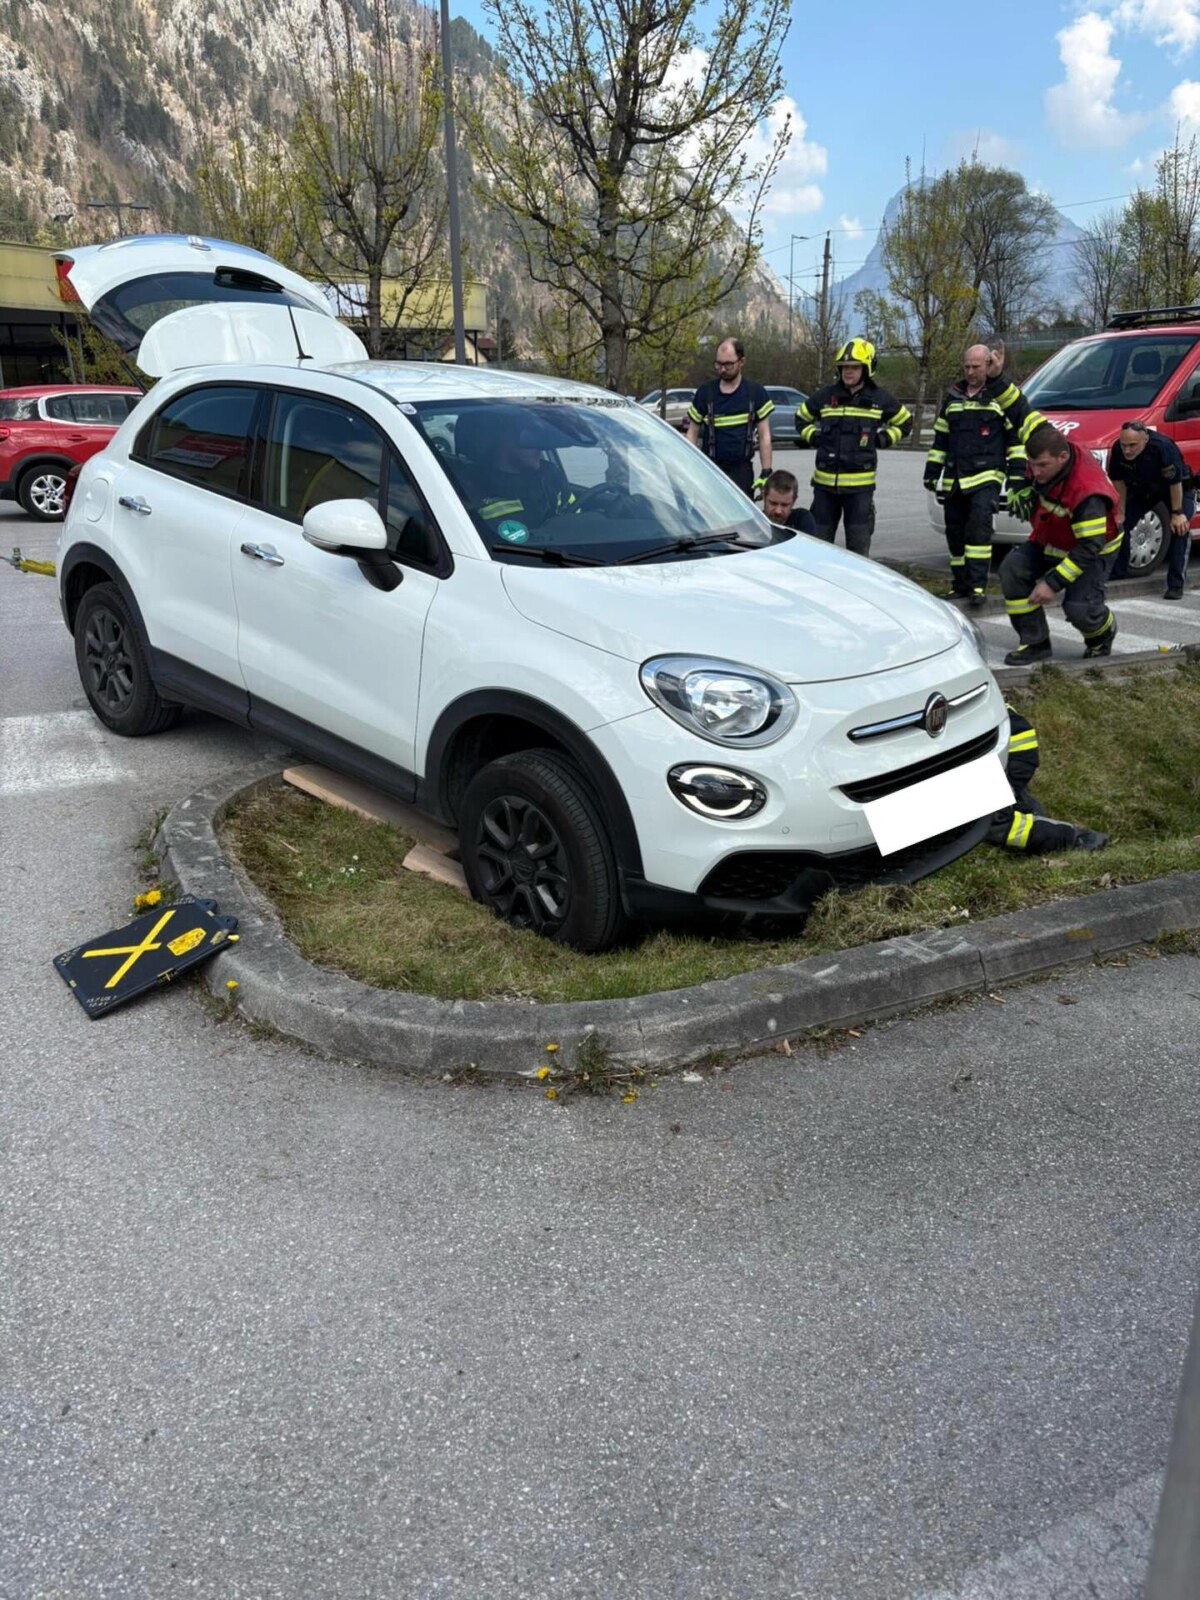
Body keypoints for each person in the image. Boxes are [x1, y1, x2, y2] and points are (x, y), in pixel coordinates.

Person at [924, 343, 1043, 608]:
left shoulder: (998, 397)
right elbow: (941, 438)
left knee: (979, 532)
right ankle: (960, 584)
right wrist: (932, 472)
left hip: (985, 477)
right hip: (955, 478)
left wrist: (1016, 480)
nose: (970, 372)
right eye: (966, 367)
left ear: (988, 365)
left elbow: (1015, 443)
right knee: (955, 534)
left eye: (976, 367)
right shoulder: (953, 396)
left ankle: (977, 586)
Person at [999, 420, 1122, 665]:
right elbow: (1022, 416)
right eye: (1031, 465)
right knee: (1012, 570)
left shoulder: (1087, 492)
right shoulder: (1051, 456)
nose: (1035, 472)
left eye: (1042, 465)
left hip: (1092, 550)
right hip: (1052, 538)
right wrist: (1019, 486)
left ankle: (1102, 635)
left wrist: (1051, 583)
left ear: (1063, 457)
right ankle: (1035, 642)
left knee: (1079, 608)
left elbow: (1089, 547)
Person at [795, 338, 911, 557]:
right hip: (824, 488)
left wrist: (883, 439)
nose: (848, 371)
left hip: (860, 490)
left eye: (854, 367)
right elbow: (801, 418)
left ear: (866, 369)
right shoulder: (826, 396)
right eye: (844, 367)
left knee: (858, 549)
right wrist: (815, 437)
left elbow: (905, 422)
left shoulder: (879, 399)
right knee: (818, 547)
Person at [987, 708, 1108, 853]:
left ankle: (1077, 840)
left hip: (1013, 753)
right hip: (1004, 753)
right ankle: (1019, 804)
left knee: (991, 824)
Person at [1105, 420, 1194, 598]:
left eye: (1132, 445)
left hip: (1175, 490)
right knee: (1121, 524)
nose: (1127, 450)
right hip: (1143, 490)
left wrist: (1177, 513)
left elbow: (1175, 482)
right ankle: (1118, 571)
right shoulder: (1117, 450)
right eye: (1124, 445)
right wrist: (1120, 511)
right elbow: (1118, 481)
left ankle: (1176, 584)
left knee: (1179, 529)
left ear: (1145, 440)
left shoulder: (1162, 447)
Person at [685, 337, 774, 496]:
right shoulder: (705, 393)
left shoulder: (755, 393)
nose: (722, 369)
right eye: (718, 364)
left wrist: (766, 472)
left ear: (741, 362)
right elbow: (692, 433)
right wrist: (689, 467)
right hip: (709, 470)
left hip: (742, 472)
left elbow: (764, 436)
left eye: (728, 364)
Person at [760, 469, 816, 534]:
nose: (778, 511)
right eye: (773, 503)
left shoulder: (802, 520)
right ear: (764, 497)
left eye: (784, 505)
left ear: (794, 501)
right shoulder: (754, 524)